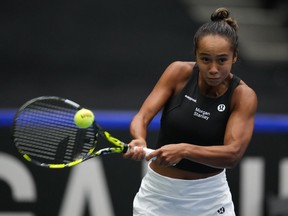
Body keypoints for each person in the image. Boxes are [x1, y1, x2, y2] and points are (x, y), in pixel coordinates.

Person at [124, 7, 257, 216]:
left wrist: (184, 150)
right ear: (196, 55)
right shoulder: (178, 73)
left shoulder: (243, 96)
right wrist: (139, 139)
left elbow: (233, 154)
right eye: (205, 59)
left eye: (222, 60)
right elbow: (142, 117)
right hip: (158, 198)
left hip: (210, 201)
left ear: (234, 57)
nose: (213, 69)